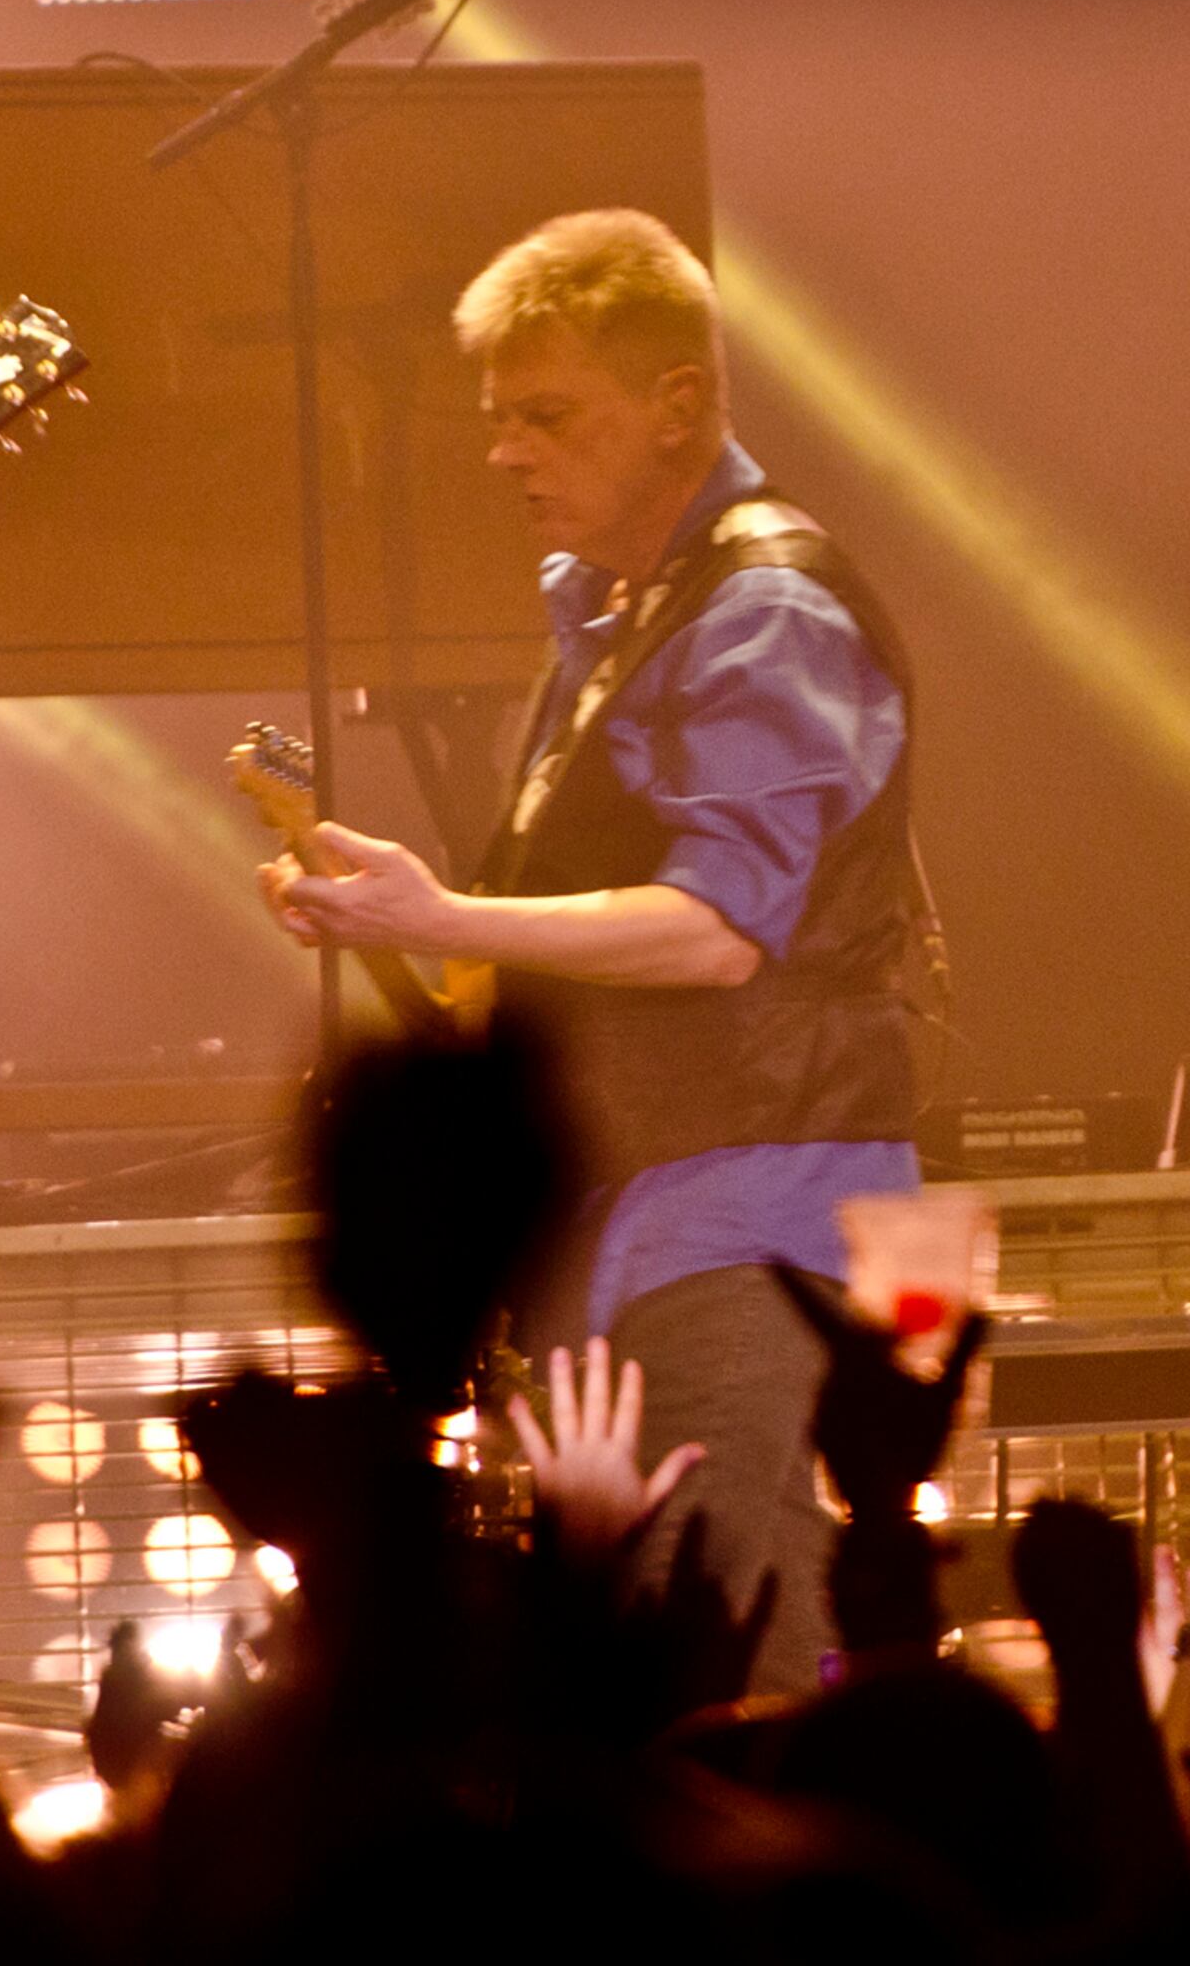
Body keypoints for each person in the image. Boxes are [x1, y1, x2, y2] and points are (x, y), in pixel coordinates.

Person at [259, 207, 934, 1692]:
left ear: (679, 403)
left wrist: (438, 916)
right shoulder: (627, 613)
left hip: (763, 1210)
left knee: (722, 1629)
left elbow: (719, 933)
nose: (506, 452)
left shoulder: (767, 608)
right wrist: (416, 924)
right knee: (690, 1628)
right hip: (675, 1200)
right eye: (497, 418)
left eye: (548, 416)